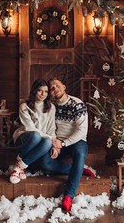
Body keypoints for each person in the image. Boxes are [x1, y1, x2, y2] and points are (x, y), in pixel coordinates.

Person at [40, 78, 94, 211]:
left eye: (57, 86)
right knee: (45, 162)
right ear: (50, 94)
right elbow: (48, 127)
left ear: (64, 87)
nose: (55, 89)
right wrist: (54, 143)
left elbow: (82, 131)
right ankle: (78, 169)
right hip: (58, 141)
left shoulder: (77, 104)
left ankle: (69, 195)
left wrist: (63, 143)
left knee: (80, 154)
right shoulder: (51, 107)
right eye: (51, 88)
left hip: (76, 141)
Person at [9, 79, 56, 184]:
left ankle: (18, 167)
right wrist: (50, 137)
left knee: (48, 142)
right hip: (24, 138)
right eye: (40, 90)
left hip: (41, 139)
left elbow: (51, 127)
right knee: (35, 136)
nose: (43, 94)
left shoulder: (51, 107)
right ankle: (20, 166)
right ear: (34, 91)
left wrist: (53, 140)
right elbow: (30, 128)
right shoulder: (24, 106)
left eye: (46, 91)